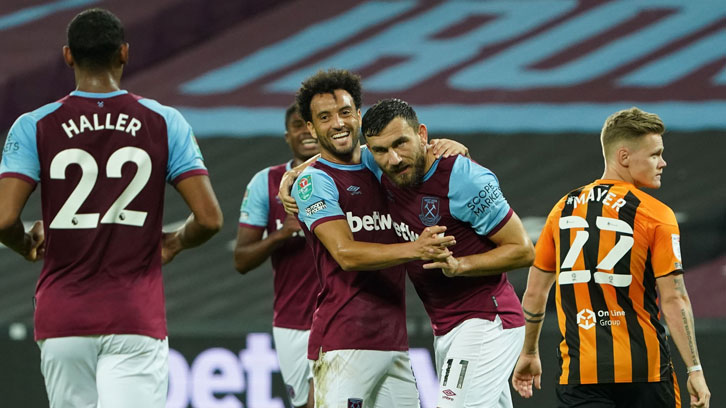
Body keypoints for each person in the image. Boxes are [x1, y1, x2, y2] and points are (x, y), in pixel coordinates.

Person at [0, 9, 223, 408]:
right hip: (135, 317)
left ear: (68, 56)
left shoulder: (33, 124)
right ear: (124, 53)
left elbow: (3, 219)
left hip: (62, 317)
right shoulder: (164, 121)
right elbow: (209, 219)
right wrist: (174, 242)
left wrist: (24, 244)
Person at [511, 107, 711, 408]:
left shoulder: (562, 210)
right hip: (646, 374)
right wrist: (694, 369)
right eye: (655, 154)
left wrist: (528, 352)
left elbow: (535, 292)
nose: (663, 162)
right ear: (624, 157)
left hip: (580, 375)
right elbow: (674, 299)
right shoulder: (656, 214)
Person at [290, 69, 457, 407]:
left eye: (345, 112)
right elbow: (345, 253)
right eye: (324, 117)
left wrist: (454, 147)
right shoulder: (314, 182)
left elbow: (425, 155)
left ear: (359, 115)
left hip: (393, 342)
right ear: (311, 127)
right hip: (344, 342)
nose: (338, 123)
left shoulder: (380, 161)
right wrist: (418, 248)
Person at [359, 98, 534, 408]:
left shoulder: (465, 178)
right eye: (381, 150)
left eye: (401, 143)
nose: (394, 158)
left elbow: (522, 250)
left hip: (486, 320)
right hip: (447, 327)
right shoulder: (377, 163)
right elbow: (333, 161)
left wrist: (459, 265)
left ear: (422, 134)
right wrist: (294, 174)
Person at [234, 103, 319, 408]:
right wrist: (282, 234)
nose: (306, 132)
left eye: (312, 124)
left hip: (342, 315)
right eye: (298, 125)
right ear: (287, 135)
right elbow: (241, 259)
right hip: (292, 321)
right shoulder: (265, 183)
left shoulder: (350, 177)